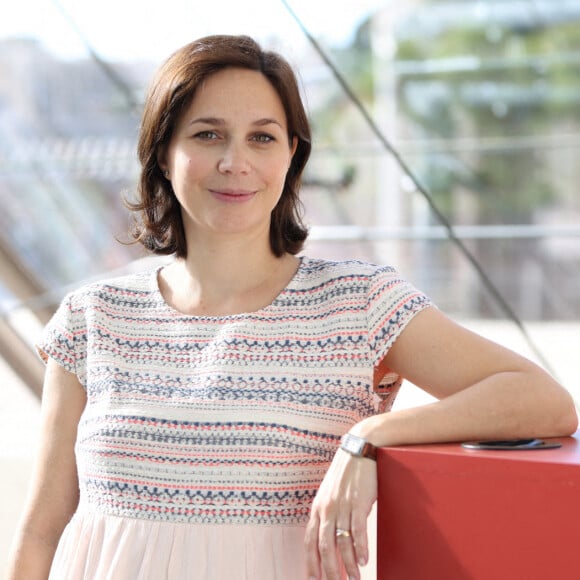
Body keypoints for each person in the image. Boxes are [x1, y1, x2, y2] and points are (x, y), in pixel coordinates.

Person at [6, 34, 577, 580]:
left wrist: (371, 435)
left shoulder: (358, 304)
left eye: (262, 137)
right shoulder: (94, 315)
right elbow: (40, 529)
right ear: (162, 153)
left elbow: (542, 401)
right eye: (207, 135)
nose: (236, 161)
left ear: (291, 156)